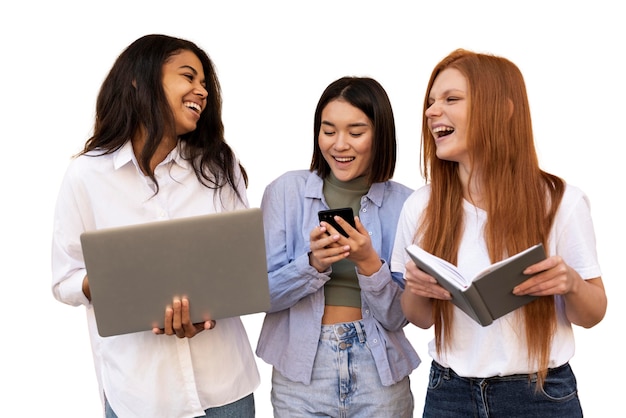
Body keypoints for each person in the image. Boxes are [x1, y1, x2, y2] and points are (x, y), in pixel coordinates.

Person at [51, 34, 259, 418]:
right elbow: (64, 279)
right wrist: (118, 282)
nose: (202, 91)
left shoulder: (218, 165)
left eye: (204, 83)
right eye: (188, 76)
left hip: (225, 389)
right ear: (139, 80)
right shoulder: (86, 175)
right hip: (140, 394)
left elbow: (241, 266)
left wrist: (210, 302)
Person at [392, 48, 607, 417]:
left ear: (502, 110)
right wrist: (416, 290)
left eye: (451, 99)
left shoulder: (561, 202)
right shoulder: (421, 207)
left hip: (540, 395)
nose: (431, 112)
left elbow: (594, 313)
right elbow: (421, 318)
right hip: (449, 394)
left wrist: (570, 283)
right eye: (430, 102)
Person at [256, 76, 420, 417]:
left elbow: (400, 316)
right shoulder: (285, 192)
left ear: (380, 135)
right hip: (301, 373)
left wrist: (369, 263)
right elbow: (261, 295)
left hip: (379, 373)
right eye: (328, 131)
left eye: (356, 132)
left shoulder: (407, 204)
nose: (339, 144)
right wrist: (312, 265)